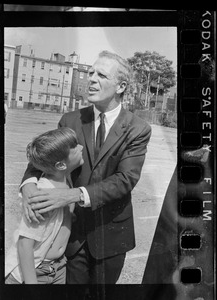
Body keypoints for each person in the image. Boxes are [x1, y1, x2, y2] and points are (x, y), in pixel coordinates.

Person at [20, 50, 152, 284]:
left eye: (101, 75)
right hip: (72, 236)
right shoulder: (70, 120)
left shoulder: (137, 128)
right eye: (91, 72)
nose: (91, 79)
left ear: (120, 86)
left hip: (111, 235)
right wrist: (29, 186)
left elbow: (125, 179)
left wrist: (69, 195)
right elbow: (41, 158)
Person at [5, 127, 84, 284]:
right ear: (61, 165)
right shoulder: (43, 195)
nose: (81, 147)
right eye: (75, 147)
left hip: (58, 267)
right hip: (35, 270)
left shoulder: (64, 179)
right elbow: (24, 245)